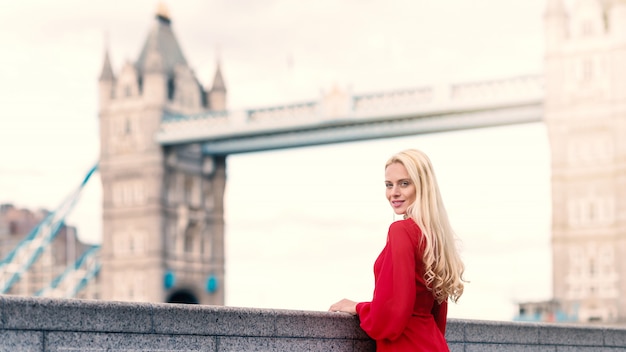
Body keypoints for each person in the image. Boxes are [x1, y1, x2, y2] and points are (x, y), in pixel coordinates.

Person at [329, 149, 466, 351]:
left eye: (404, 183)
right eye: (388, 185)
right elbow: (438, 315)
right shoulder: (436, 237)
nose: (394, 193)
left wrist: (357, 307)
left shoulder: (400, 231)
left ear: (422, 186)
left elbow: (388, 317)